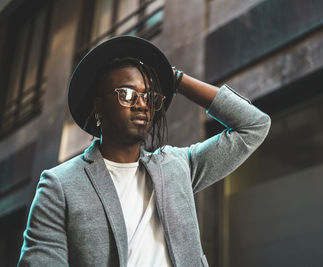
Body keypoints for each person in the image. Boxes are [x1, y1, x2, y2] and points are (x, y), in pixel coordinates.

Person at [18, 36, 271, 267]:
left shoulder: (178, 165)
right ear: (99, 106)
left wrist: (177, 79)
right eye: (127, 94)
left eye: (148, 96)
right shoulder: (59, 185)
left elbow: (253, 125)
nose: (141, 105)